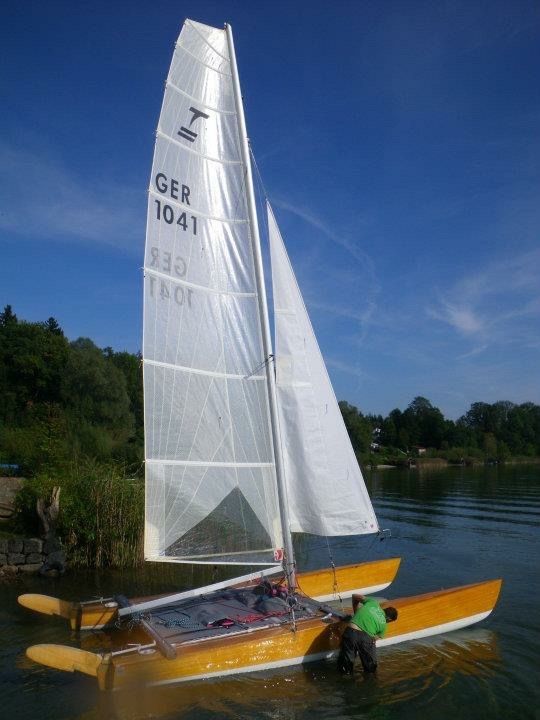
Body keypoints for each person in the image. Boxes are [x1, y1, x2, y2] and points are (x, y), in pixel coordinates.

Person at [337, 594, 398, 674]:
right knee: (371, 667)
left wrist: (356, 612)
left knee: (346, 666)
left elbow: (354, 596)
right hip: (365, 637)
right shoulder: (384, 626)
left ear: (384, 610)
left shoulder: (373, 603)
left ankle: (345, 676)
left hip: (350, 631)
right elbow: (373, 639)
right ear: (389, 619)